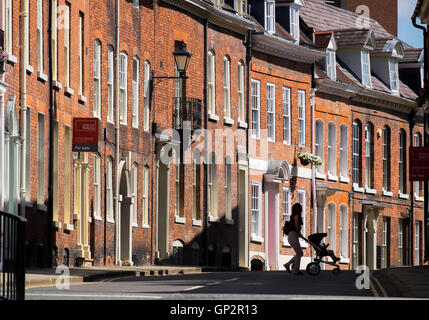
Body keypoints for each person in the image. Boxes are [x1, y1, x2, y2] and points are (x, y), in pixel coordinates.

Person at [283, 203, 304, 275]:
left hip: (292, 235)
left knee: (299, 253)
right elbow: (296, 226)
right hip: (293, 235)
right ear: (299, 209)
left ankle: (288, 264)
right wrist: (299, 233)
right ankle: (296, 269)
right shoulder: (296, 216)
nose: (302, 209)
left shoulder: (293, 216)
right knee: (299, 253)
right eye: (301, 208)